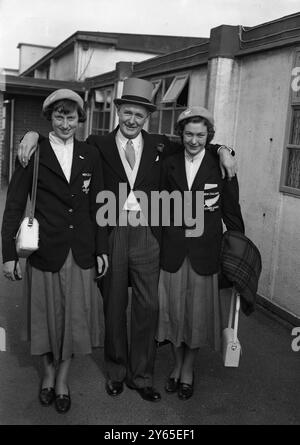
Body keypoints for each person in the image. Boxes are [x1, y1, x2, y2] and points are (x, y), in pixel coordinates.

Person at [17, 78, 237, 402]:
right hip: (112, 230)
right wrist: (32, 134)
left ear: (147, 117)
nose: (133, 120)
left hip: (149, 232)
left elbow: (198, 143)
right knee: (114, 304)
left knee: (149, 305)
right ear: (118, 111)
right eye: (128, 113)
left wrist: (224, 151)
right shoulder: (97, 144)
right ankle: (117, 372)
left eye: (140, 115)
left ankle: (142, 376)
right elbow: (60, 139)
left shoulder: (161, 144)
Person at [1, 89, 108, 413]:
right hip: (45, 252)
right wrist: (7, 254)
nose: (65, 123)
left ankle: (62, 380)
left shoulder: (90, 154)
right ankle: (47, 374)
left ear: (80, 119)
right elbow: (15, 205)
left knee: (73, 322)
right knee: (47, 320)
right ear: (50, 118)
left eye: (71, 116)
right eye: (59, 116)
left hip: (81, 253)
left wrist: (102, 248)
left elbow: (99, 206)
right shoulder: (33, 151)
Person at [156, 106, 245, 400]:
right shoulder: (167, 163)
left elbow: (231, 212)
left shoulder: (222, 165)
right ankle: (175, 366)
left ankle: (188, 370)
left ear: (210, 136)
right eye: (190, 134)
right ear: (181, 135)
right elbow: (158, 209)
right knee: (172, 314)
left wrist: (238, 250)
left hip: (204, 253)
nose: (195, 140)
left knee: (194, 317)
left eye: (201, 135)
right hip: (172, 251)